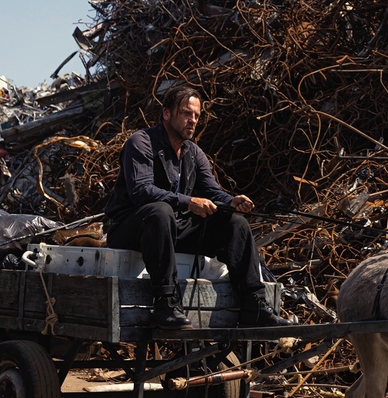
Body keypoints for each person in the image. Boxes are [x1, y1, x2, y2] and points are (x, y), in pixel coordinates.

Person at [102, 84, 290, 329]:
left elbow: (211, 190)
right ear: (166, 113)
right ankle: (166, 304)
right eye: (186, 113)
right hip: (130, 229)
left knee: (235, 223)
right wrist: (188, 202)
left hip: (171, 230)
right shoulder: (141, 142)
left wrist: (231, 201)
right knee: (160, 211)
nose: (192, 120)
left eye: (197, 116)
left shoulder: (194, 152)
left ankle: (254, 305)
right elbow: (141, 191)